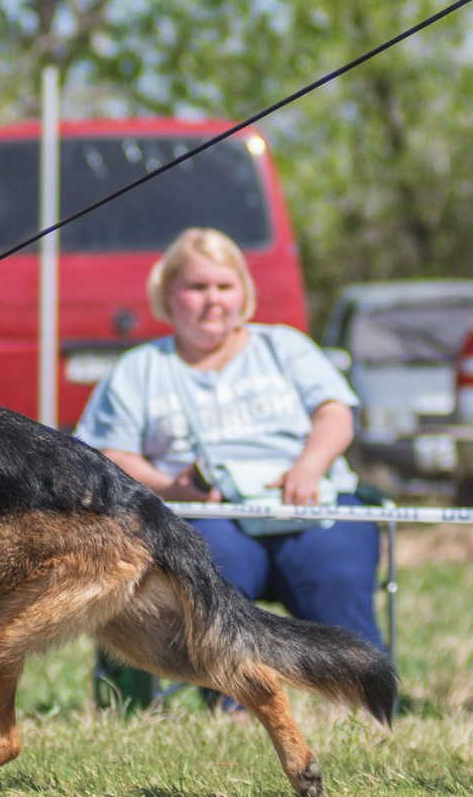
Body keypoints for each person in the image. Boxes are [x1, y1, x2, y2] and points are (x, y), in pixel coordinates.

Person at [78, 227, 383, 651]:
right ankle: (232, 691)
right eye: (197, 287)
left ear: (244, 292)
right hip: (205, 516)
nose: (213, 300)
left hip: (310, 505)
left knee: (338, 575)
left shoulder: (284, 346)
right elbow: (111, 454)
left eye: (225, 286)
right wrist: (170, 487)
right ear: (167, 295)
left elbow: (336, 413)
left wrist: (309, 466)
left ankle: (359, 685)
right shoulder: (139, 368)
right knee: (216, 578)